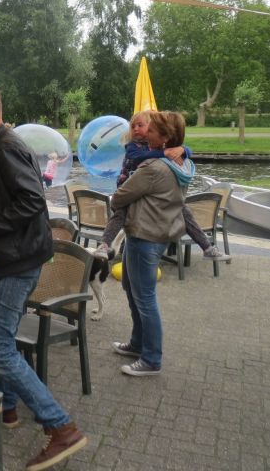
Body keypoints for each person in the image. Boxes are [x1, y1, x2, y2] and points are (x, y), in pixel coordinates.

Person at [0, 87, 86, 471]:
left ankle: (60, 426)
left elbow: (32, 201)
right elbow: (11, 195)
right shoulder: (6, 143)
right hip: (23, 256)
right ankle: (5, 406)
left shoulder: (4, 147)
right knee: (5, 334)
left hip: (17, 260)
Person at [110, 111, 195, 377]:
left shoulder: (153, 168)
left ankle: (151, 359)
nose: (146, 133)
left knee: (145, 298)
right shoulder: (180, 163)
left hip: (144, 236)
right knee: (132, 289)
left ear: (165, 137)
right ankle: (138, 343)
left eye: (152, 130)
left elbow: (119, 197)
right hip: (157, 233)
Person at [93, 111, 230, 262]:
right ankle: (104, 245)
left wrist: (183, 150)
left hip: (145, 191)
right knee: (119, 214)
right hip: (127, 185)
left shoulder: (155, 148)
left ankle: (207, 247)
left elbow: (187, 151)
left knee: (185, 212)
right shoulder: (133, 146)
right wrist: (165, 153)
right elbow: (138, 157)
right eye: (133, 126)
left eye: (141, 125)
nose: (136, 129)